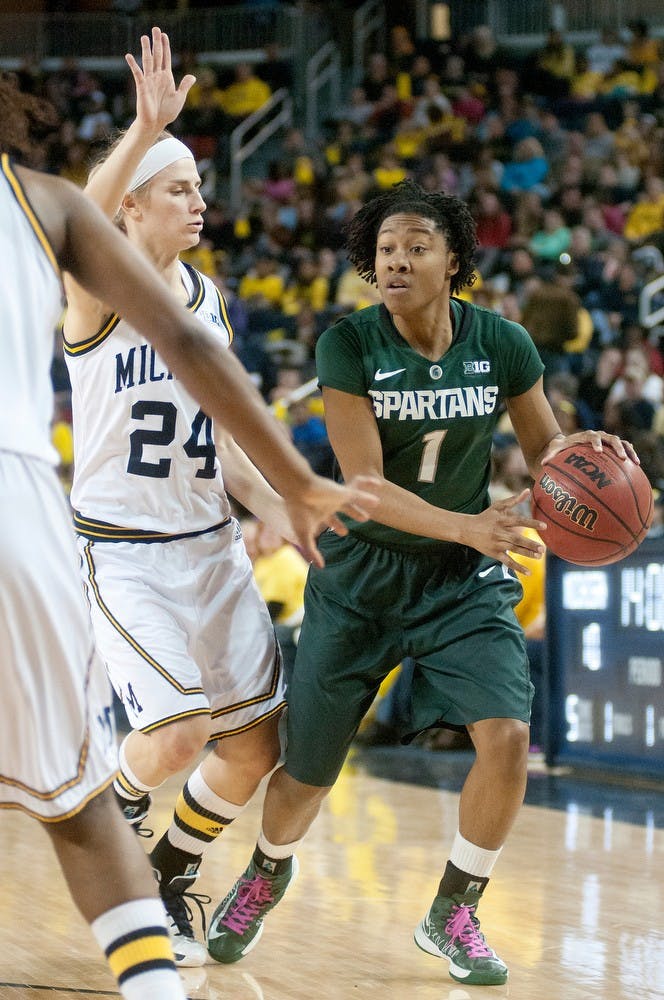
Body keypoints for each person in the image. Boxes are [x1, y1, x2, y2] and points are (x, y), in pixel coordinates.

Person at [0, 72, 377, 1000]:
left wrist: (277, 502)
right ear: (131, 203)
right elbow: (72, 207)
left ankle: (168, 871)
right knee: (177, 734)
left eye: (202, 190)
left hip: (208, 542)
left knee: (256, 747)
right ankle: (121, 804)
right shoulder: (95, 297)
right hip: (122, 552)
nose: (200, 203)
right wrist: (140, 129)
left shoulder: (206, 301)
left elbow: (219, 437)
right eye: (180, 188)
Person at [207, 180, 639, 985]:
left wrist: (594, 459)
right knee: (305, 775)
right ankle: (267, 870)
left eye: (414, 246)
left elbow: (546, 451)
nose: (395, 261)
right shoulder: (349, 345)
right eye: (384, 251)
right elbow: (364, 484)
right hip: (360, 575)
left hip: (460, 583)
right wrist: (473, 524)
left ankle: (455, 910)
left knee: (508, 737)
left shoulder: (505, 343)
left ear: (454, 262)